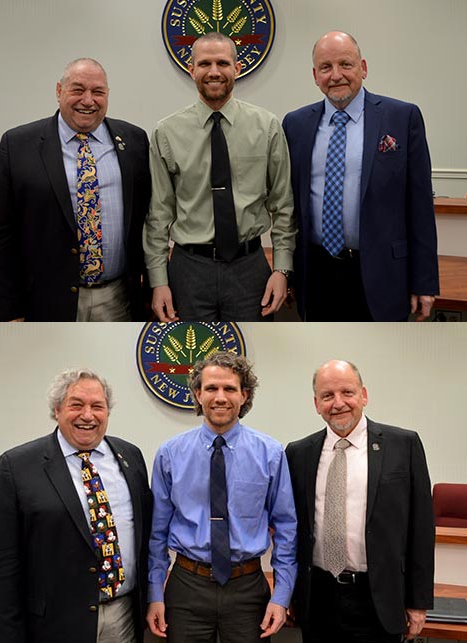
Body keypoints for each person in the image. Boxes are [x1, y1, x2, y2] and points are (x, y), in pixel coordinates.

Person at [0, 368, 153, 643]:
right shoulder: (17, 466)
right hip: (54, 625)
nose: (88, 415)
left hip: (123, 618)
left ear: (107, 412)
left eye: (97, 406)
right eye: (76, 405)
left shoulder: (130, 457)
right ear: (57, 409)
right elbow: (1, 566)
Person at [283, 31, 439, 321]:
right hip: (316, 272)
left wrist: (425, 281)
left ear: (363, 68)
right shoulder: (295, 124)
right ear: (315, 75)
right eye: (326, 68)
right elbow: (289, 207)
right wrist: (288, 272)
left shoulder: (402, 118)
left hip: (383, 274)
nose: (336, 75)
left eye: (346, 64)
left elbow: (420, 206)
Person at [0, 58, 151, 321]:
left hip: (119, 299)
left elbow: (148, 218)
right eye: (77, 89)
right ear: (59, 91)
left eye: (98, 92)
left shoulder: (134, 140)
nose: (88, 100)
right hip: (45, 301)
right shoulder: (17, 145)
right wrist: (7, 311)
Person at [143, 32, 296, 321]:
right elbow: (158, 215)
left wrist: (282, 269)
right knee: (193, 361)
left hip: (249, 268)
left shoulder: (267, 127)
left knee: (251, 357)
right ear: (192, 70)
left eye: (223, 63)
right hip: (189, 270)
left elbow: (283, 205)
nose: (214, 72)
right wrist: (158, 280)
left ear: (237, 68)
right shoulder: (166, 132)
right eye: (205, 64)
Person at [147, 352, 297, 642]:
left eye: (229, 389)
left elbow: (286, 528)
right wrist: (155, 593)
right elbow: (157, 533)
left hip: (248, 590)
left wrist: (281, 596)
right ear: (197, 394)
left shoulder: (271, 453)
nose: (220, 397)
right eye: (211, 388)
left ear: (244, 395)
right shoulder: (169, 454)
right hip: (187, 587)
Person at [285, 360, 434, 642]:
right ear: (316, 404)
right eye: (327, 396)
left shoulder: (403, 445)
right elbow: (292, 530)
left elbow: (421, 529)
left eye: (347, 393)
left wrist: (418, 601)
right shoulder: (298, 453)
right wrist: (290, 594)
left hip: (379, 597)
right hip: (318, 597)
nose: (338, 403)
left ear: (363, 395)